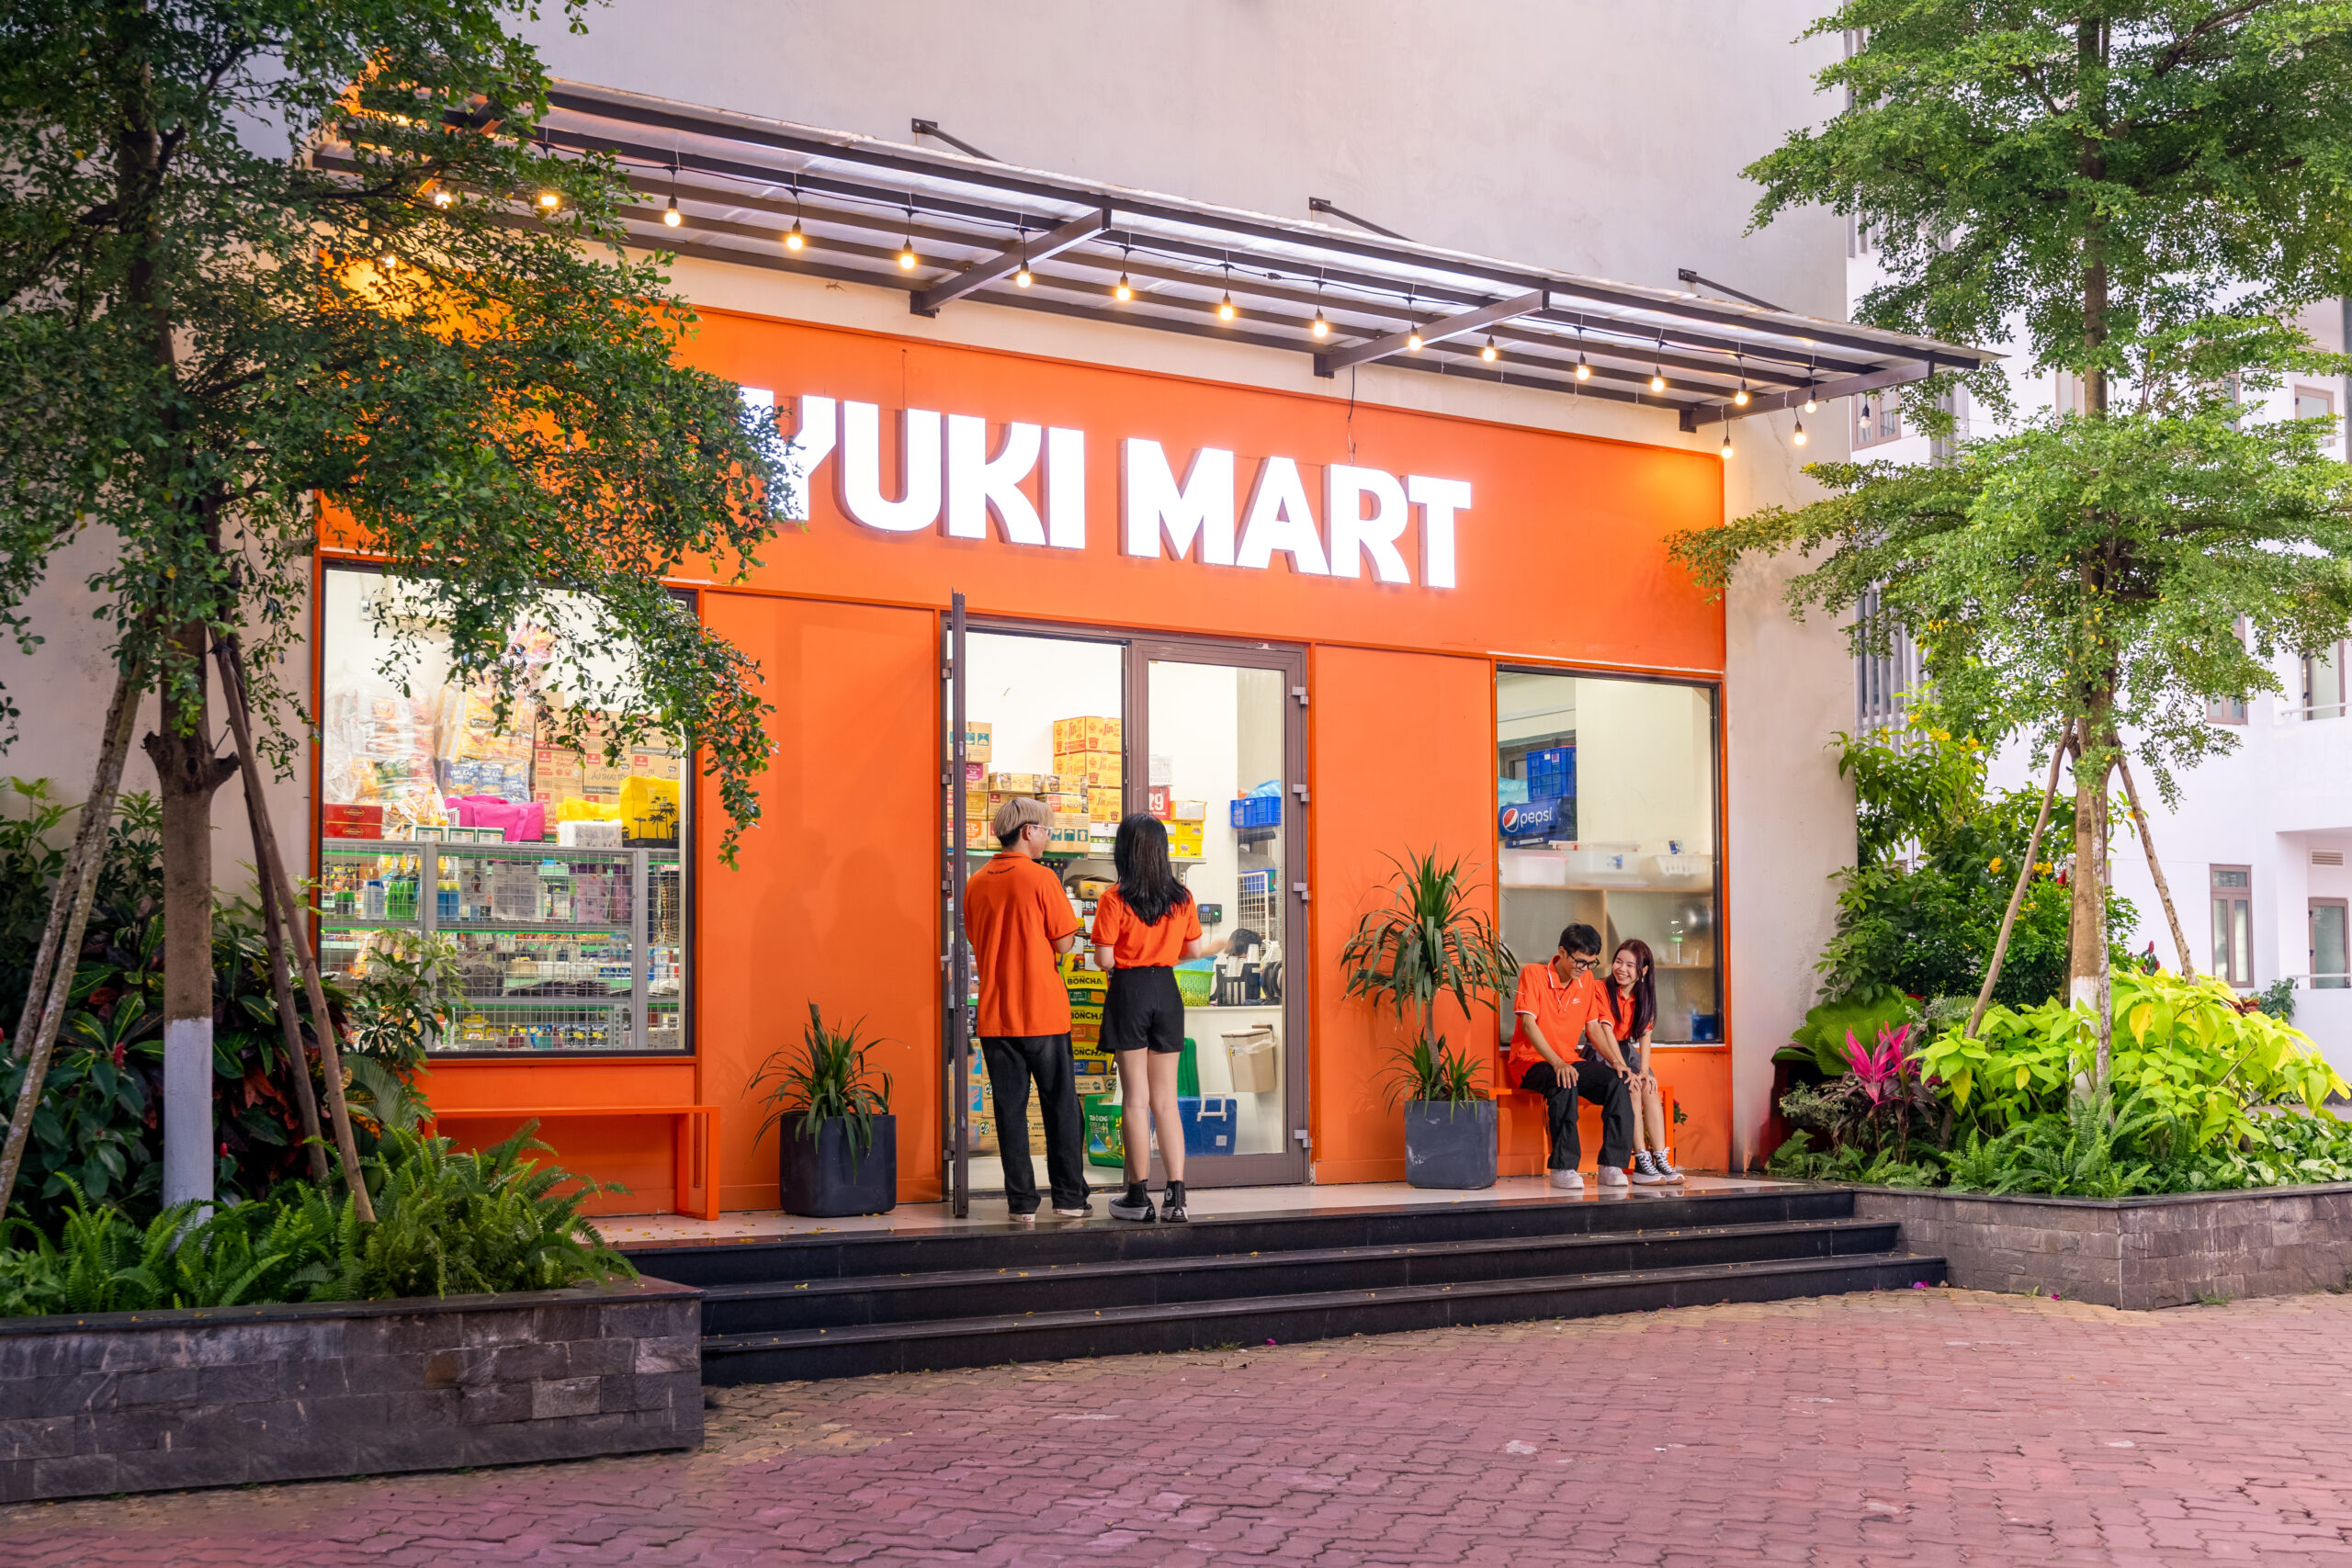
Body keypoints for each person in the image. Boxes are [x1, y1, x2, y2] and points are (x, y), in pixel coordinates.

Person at [1091, 813, 1226, 1224]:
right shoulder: (1181, 897)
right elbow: (1192, 950)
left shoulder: (1114, 899)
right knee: (1166, 1100)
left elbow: (1104, 960)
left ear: (1124, 852)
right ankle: (1176, 1197)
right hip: (1167, 993)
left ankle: (1138, 1197)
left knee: (1136, 1098)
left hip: (1130, 991)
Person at [964, 796, 1091, 1223]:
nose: (1048, 837)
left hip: (995, 1016)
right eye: (1046, 830)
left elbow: (975, 939)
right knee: (1061, 1106)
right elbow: (1064, 942)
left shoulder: (976, 882)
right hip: (1042, 1012)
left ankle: (1021, 1204)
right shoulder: (1041, 878)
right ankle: (1069, 1198)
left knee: (1009, 1112)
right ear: (1027, 831)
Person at [1509, 922, 1634, 1190]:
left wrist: (1617, 1062)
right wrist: (1557, 1063)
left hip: (1570, 1061)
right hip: (1531, 1061)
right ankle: (1563, 1168)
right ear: (1562, 953)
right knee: (1565, 1080)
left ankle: (1611, 1165)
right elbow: (1529, 1025)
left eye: (1591, 963)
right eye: (1579, 961)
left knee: (1617, 1081)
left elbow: (1593, 1028)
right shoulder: (1533, 974)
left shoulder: (1585, 980)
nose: (1584, 968)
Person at [1606, 938, 1683, 1185]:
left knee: (1649, 1086)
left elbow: (1645, 1035)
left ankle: (1660, 1157)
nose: (1621, 969)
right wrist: (1623, 1066)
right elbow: (1604, 1032)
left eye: (1630, 965)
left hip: (1627, 1050)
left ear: (1644, 970)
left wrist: (1644, 1071)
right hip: (1604, 1050)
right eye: (1618, 962)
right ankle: (1640, 1159)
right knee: (1633, 1088)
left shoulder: (1643, 996)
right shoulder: (1601, 989)